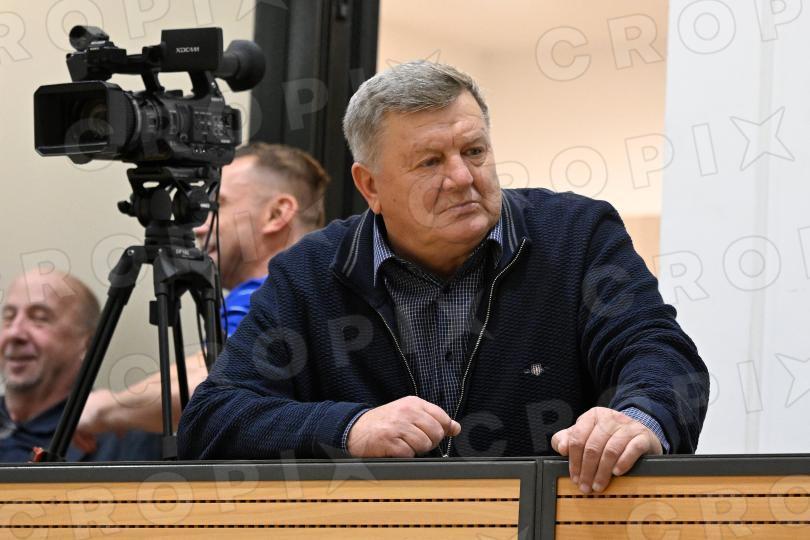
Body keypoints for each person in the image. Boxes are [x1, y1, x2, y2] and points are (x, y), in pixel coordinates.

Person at [177, 62, 709, 495]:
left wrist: (638, 417)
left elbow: (660, 354)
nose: (461, 177)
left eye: (474, 151)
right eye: (430, 162)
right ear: (370, 186)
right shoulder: (310, 271)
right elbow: (215, 419)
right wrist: (349, 428)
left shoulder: (576, 234)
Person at [74, 143, 331, 441]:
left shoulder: (277, 298)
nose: (198, 227)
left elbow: (216, 388)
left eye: (216, 206)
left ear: (276, 214)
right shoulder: (308, 290)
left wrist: (103, 410)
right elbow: (204, 365)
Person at [0, 270, 161, 461]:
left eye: (40, 318)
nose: (14, 333)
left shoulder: (124, 439)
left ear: (88, 343)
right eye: (8, 317)